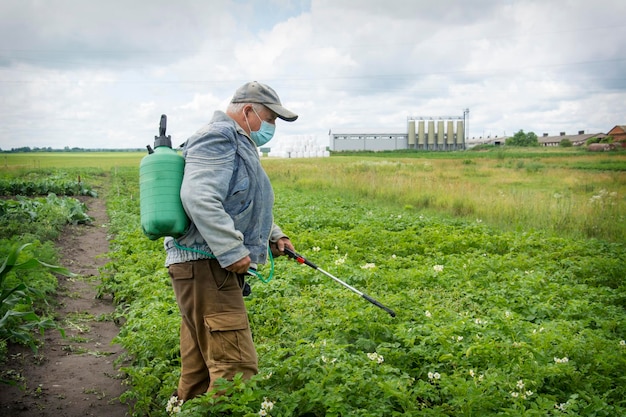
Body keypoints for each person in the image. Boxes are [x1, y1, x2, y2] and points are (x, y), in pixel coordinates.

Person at [164, 81, 297, 401]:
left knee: (199, 370)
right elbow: (199, 196)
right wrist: (231, 249)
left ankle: (188, 407)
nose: (272, 127)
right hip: (208, 266)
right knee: (235, 369)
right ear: (249, 111)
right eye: (271, 119)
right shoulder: (219, 137)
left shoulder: (238, 142)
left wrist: (274, 236)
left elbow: (240, 202)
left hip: (203, 269)